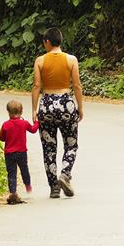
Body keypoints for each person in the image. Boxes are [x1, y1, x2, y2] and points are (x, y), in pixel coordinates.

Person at [32, 27, 83, 199]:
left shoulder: (40, 61)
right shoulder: (71, 60)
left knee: (49, 148)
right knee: (71, 144)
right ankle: (65, 173)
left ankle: (54, 187)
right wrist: (80, 107)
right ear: (60, 40)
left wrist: (34, 109)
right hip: (66, 103)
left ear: (47, 42)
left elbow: (37, 86)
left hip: (46, 105)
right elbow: (76, 86)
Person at [0, 99, 39, 205]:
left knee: (11, 173)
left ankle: (13, 192)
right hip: (21, 152)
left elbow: (1, 138)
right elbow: (34, 130)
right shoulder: (24, 123)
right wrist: (37, 121)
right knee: (24, 169)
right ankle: (28, 186)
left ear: (8, 112)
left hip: (9, 154)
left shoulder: (6, 125)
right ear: (21, 112)